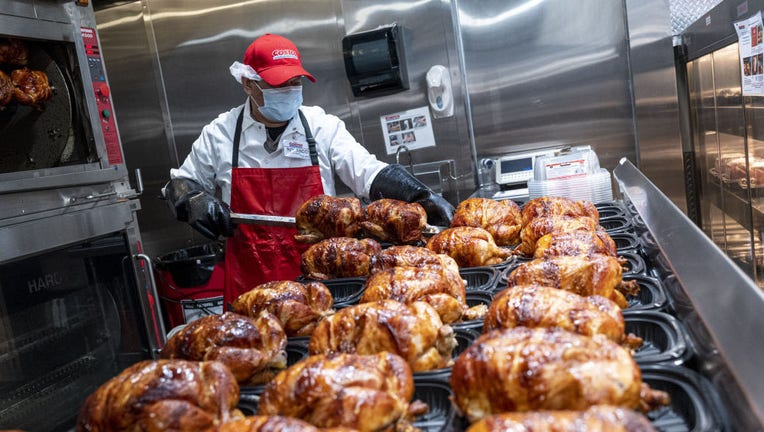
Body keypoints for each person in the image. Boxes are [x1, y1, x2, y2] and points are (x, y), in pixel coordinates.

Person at [163, 33, 454, 304]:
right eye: (279, 84)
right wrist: (194, 201)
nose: (290, 91)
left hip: (320, 280)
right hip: (250, 289)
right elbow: (181, 185)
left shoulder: (320, 126)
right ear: (248, 84)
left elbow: (367, 171)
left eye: (295, 82)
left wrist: (419, 194)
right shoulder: (221, 134)